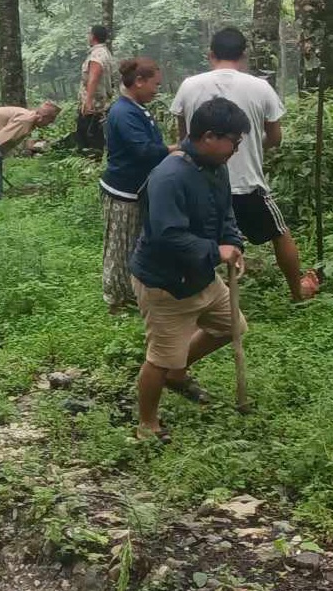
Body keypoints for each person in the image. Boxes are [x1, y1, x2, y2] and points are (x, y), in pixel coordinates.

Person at [131, 96, 250, 442]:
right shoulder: (168, 176)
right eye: (234, 141)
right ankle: (147, 424)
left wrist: (233, 244)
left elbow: (225, 213)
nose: (236, 148)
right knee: (159, 357)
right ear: (210, 136)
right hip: (166, 283)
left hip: (201, 275)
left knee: (232, 326)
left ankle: (177, 372)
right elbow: (169, 236)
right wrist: (216, 250)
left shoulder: (217, 166)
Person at [170, 27, 318, 302]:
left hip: (199, 180)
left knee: (194, 237)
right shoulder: (260, 87)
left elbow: (184, 138)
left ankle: (192, 297)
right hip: (247, 182)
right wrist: (246, 147)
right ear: (244, 55)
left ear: (210, 54)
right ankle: (298, 292)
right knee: (279, 232)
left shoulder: (189, 85)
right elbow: (275, 137)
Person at [100, 57, 172, 313]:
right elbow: (143, 151)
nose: (156, 90)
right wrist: (174, 150)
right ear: (138, 82)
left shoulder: (136, 108)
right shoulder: (122, 111)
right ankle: (115, 299)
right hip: (123, 192)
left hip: (138, 189)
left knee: (135, 242)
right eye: (155, 84)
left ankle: (132, 292)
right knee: (120, 246)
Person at [0, 101, 60, 200]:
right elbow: (3, 137)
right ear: (43, 117)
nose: (48, 124)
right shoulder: (26, 120)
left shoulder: (29, 119)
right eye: (49, 121)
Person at [77, 24, 116, 153]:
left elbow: (93, 77)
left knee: (88, 139)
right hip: (101, 104)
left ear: (93, 36)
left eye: (89, 34)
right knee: (96, 136)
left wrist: (88, 102)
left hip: (93, 107)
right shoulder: (105, 52)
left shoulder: (97, 55)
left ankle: (89, 167)